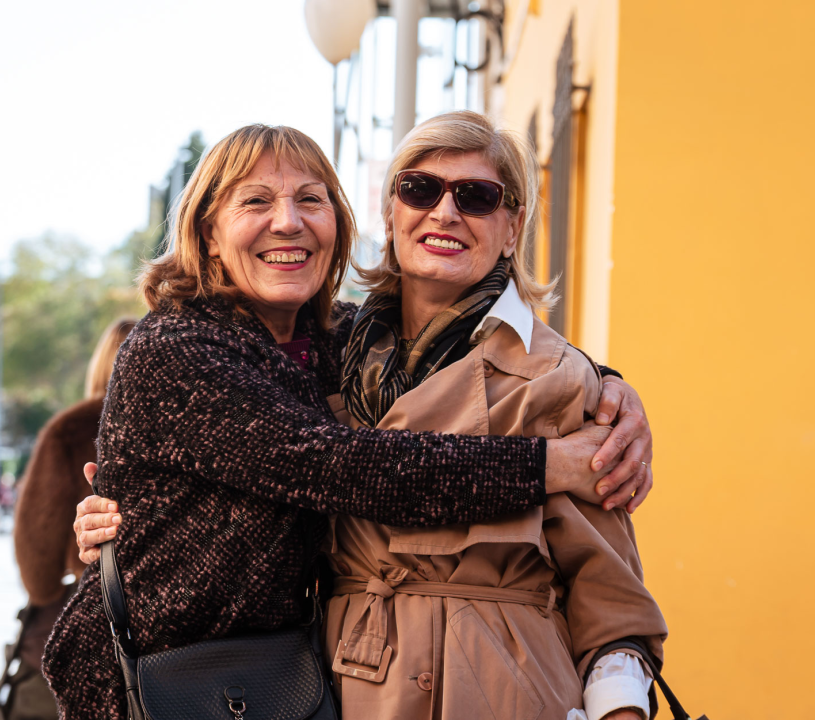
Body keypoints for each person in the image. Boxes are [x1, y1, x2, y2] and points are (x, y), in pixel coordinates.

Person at [46, 125, 652, 719]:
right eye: (255, 201)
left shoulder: (342, 342)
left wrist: (604, 384)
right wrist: (550, 463)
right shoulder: (176, 347)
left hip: (292, 680)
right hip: (159, 678)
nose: (288, 221)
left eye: (311, 199)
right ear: (207, 234)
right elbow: (337, 465)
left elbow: (474, 345)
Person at [322, 111, 666, 720]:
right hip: (349, 684)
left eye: (476, 197)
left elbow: (609, 598)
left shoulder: (559, 378)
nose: (445, 213)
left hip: (511, 691)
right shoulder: (326, 359)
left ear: (512, 228)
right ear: (390, 213)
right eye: (419, 189)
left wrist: (621, 711)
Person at [8, 317, 136, 717]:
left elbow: (36, 550)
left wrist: (46, 589)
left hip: (86, 606)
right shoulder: (187, 423)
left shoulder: (69, 429)